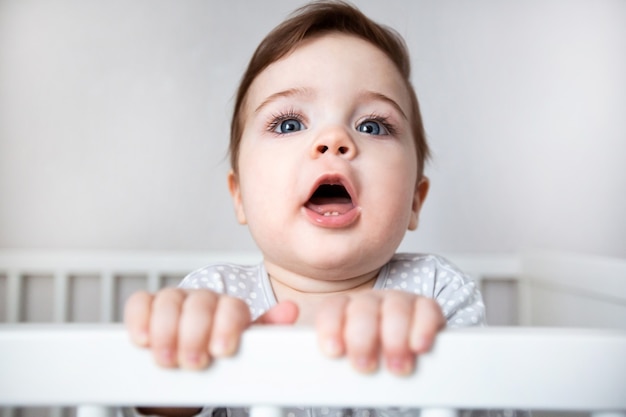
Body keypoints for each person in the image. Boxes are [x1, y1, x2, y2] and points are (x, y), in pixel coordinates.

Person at [124, 2, 494, 417]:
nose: (334, 139)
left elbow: (496, 405)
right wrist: (168, 377)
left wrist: (425, 351)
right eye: (288, 124)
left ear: (414, 200)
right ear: (240, 195)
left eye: (373, 126)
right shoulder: (214, 298)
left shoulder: (437, 293)